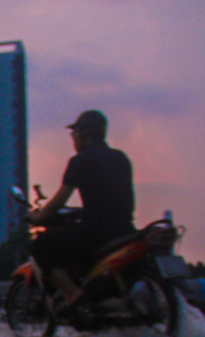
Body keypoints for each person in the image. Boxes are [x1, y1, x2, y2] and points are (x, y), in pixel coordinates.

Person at [26, 109, 135, 308]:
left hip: (97, 232)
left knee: (40, 245)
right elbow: (108, 196)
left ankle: (72, 292)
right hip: (126, 229)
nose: (73, 140)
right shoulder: (120, 157)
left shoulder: (80, 161)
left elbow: (59, 201)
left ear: (85, 134)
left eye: (74, 135)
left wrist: (38, 218)